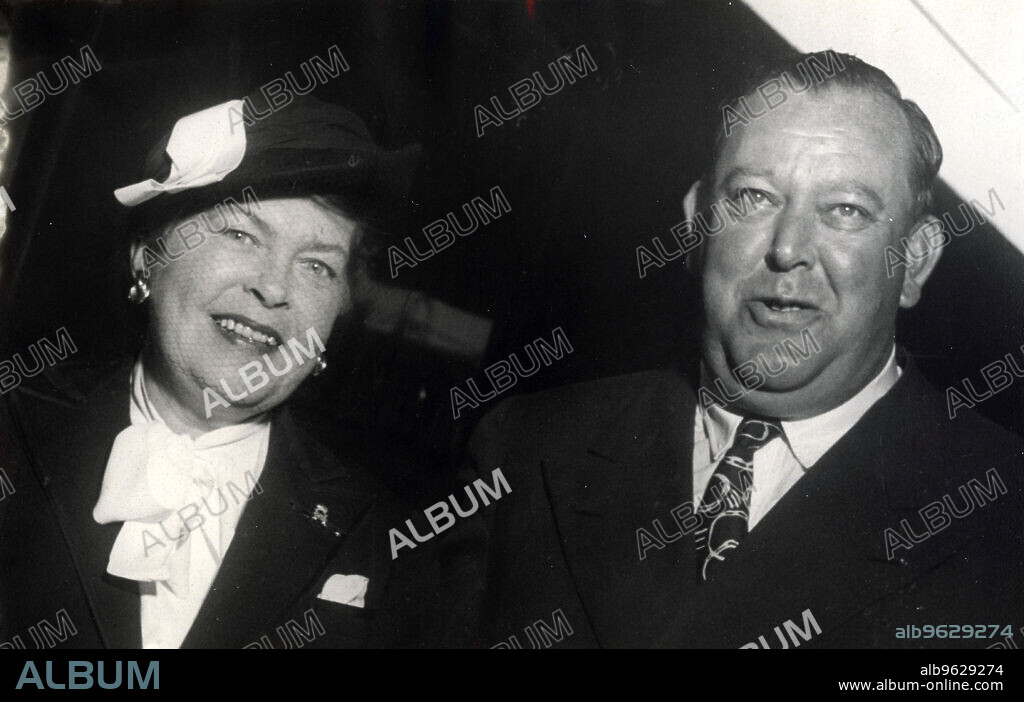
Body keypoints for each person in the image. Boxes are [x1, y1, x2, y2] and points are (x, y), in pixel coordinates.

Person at [461, 51, 1024, 648]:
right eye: (754, 197)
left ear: (914, 259)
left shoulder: (1003, 514)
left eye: (845, 211)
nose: (787, 249)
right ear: (695, 222)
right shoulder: (526, 451)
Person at [0, 91, 441, 648]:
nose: (272, 286)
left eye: (317, 266)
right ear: (146, 256)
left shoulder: (389, 538)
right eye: (240, 235)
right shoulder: (13, 435)